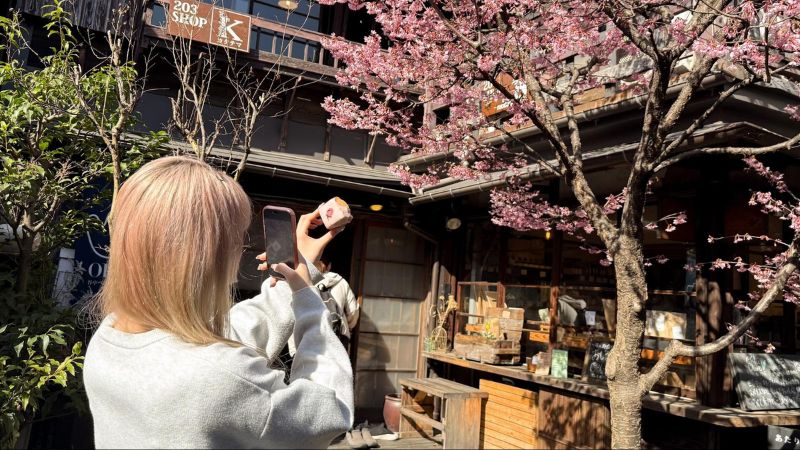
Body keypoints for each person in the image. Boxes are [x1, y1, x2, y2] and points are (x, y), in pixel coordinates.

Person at [83, 156, 353, 449]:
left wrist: (295, 275)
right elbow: (331, 411)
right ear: (207, 258)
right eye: (238, 241)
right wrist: (309, 301)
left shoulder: (108, 337)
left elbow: (230, 334)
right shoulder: (220, 378)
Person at [315, 256, 360, 351]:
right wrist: (348, 325)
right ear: (329, 266)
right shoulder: (342, 282)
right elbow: (353, 310)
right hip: (339, 334)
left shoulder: (307, 282)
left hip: (314, 333)